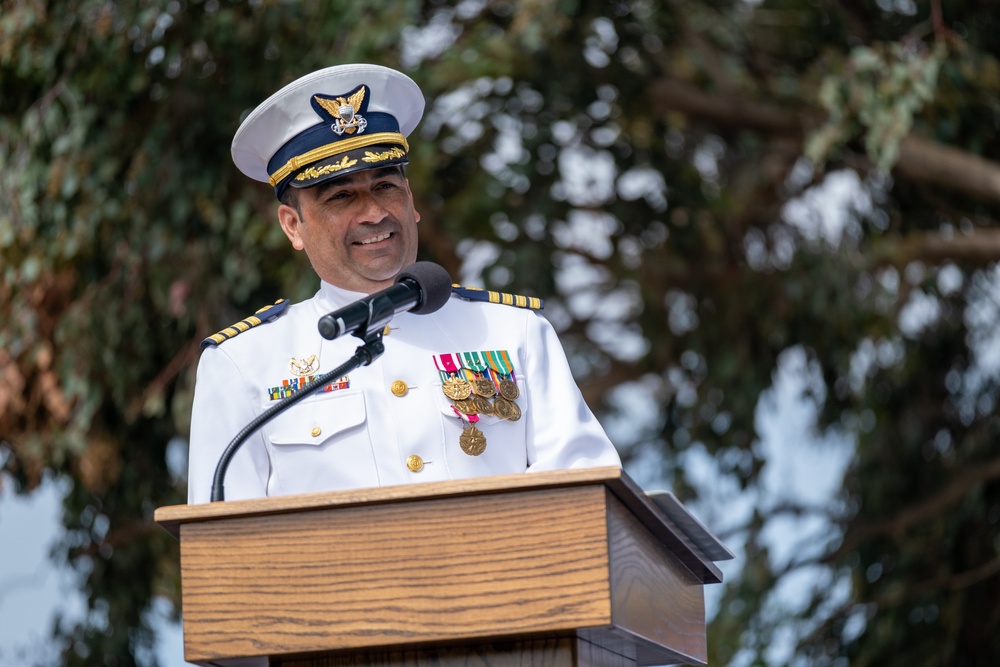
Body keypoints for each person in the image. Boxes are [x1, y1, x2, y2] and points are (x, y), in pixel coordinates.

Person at [187, 63, 621, 504]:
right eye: (340, 196)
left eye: (386, 186)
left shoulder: (514, 333)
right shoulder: (244, 363)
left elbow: (586, 497)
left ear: (410, 200)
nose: (374, 213)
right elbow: (221, 549)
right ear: (293, 226)